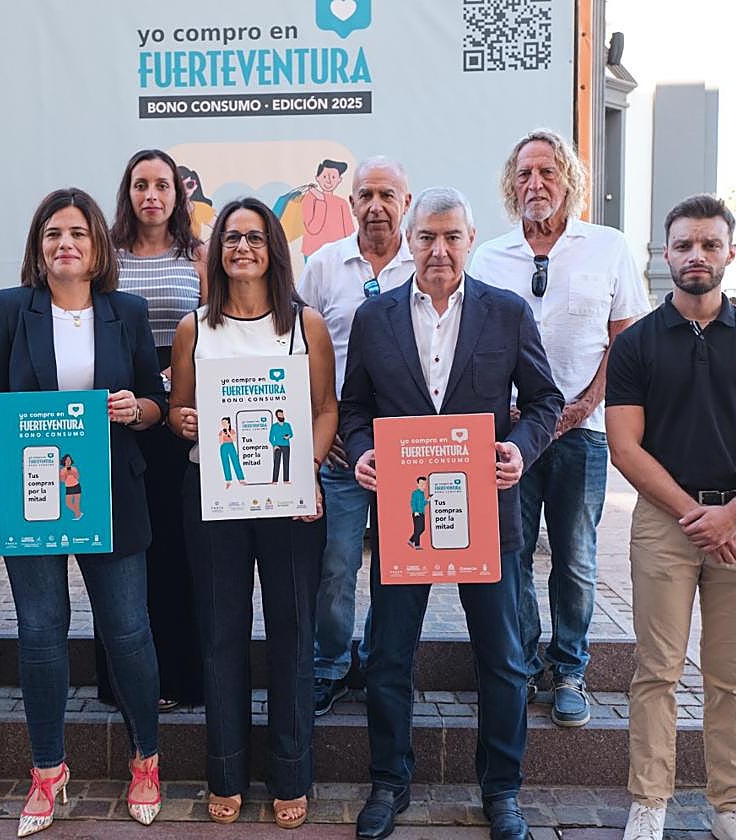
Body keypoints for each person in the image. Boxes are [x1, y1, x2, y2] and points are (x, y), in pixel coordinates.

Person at [340, 187, 563, 840]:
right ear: (408, 243)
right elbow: (355, 408)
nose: (438, 250)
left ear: (471, 240)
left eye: (451, 237)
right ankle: (389, 783)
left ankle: (502, 791)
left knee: (503, 660)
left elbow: (545, 401)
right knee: (388, 656)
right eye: (427, 237)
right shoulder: (375, 318)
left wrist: (520, 450)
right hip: (405, 513)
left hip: (486, 514)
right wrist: (362, 452)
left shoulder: (507, 312)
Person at [0, 188, 166, 836]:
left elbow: (156, 403)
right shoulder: (7, 309)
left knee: (128, 633)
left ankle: (146, 758)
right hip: (31, 497)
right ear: (38, 246)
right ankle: (47, 770)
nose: (65, 243)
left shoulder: (125, 312)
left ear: (98, 244)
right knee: (42, 634)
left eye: (77, 232)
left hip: (114, 495)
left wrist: (136, 409)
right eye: (53, 233)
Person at [607, 195, 736, 840]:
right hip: (666, 522)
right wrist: (695, 514)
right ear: (666, 254)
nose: (697, 255)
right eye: (685, 245)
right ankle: (649, 802)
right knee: (656, 671)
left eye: (710, 244)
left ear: (729, 253)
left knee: (730, 675)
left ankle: (731, 807)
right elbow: (625, 446)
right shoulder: (636, 344)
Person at [469, 128, 650, 727]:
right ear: (511, 185)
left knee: (574, 557)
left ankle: (570, 669)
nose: (535, 184)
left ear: (569, 180)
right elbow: (476, 341)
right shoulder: (490, 257)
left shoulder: (608, 247)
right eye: (524, 174)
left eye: (547, 171)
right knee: (511, 554)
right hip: (511, 436)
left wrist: (586, 403)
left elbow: (625, 340)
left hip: (582, 430)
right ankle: (521, 665)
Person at [169, 196, 338, 829]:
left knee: (292, 633)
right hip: (214, 499)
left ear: (274, 250)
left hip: (289, 500)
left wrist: (308, 471)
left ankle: (291, 772)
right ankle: (226, 770)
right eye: (231, 238)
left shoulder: (305, 325)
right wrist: (184, 422)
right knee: (221, 634)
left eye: (255, 237)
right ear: (216, 251)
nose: (242, 247)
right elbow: (180, 414)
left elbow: (325, 409)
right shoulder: (193, 328)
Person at [297, 155, 414, 717]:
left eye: (387, 195)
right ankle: (329, 664)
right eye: (366, 195)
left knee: (398, 562)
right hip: (343, 445)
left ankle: (381, 660)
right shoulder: (323, 266)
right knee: (336, 563)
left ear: (406, 203)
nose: (376, 206)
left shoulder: (425, 263)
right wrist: (324, 425)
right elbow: (298, 353)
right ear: (351, 204)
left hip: (408, 446)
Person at [100, 148, 206, 712]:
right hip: (121, 411)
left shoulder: (198, 255)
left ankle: (178, 677)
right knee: (120, 549)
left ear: (178, 193)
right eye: (141, 184)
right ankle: (122, 681)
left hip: (180, 411)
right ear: (128, 193)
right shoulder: (106, 256)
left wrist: (175, 382)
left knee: (174, 545)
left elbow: (213, 330)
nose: (151, 195)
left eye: (162, 185)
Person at [301, 158, 356, 259]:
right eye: (325, 176)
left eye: (333, 177)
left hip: (338, 254)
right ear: (317, 178)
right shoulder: (309, 198)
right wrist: (320, 201)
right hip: (313, 253)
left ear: (339, 180)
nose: (329, 181)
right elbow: (313, 228)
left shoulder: (342, 203)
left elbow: (350, 233)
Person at [218, 416, 245, 486]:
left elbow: (234, 439)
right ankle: (228, 481)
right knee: (225, 463)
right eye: (222, 423)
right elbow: (220, 442)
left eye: (224, 423)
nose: (223, 424)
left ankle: (241, 479)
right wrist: (222, 435)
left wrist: (228, 433)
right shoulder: (221, 432)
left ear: (228, 423)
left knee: (235, 461)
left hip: (231, 446)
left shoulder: (232, 431)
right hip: (223, 447)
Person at [270, 408, 293, 483]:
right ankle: (274, 480)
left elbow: (291, 434)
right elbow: (271, 438)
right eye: (280, 415)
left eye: (282, 415)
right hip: (278, 446)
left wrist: (288, 436)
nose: (282, 416)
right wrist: (274, 445)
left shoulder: (287, 425)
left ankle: (286, 480)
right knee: (276, 463)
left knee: (286, 463)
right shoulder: (274, 426)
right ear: (277, 416)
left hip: (286, 445)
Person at [59, 454, 83, 519]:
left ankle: (77, 516)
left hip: (76, 486)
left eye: (69, 460)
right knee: (68, 503)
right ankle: (78, 513)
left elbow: (78, 477)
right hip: (68, 487)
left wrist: (73, 473)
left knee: (77, 503)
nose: (68, 461)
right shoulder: (62, 470)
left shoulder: (74, 468)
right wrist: (65, 474)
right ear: (64, 461)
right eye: (66, 460)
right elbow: (62, 480)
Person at [410, 477, 428, 550]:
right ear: (418, 484)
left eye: (424, 484)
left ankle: (411, 541)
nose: (423, 485)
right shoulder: (415, 493)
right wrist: (415, 511)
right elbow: (413, 503)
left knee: (422, 529)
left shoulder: (422, 493)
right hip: (417, 513)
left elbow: (423, 504)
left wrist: (427, 500)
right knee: (417, 529)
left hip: (422, 513)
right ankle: (417, 545)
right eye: (421, 483)